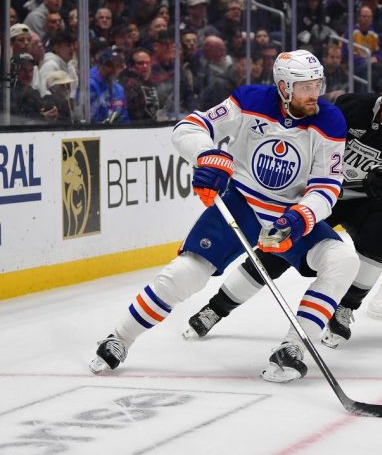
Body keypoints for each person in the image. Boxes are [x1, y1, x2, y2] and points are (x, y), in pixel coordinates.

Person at [89, 50, 359, 384]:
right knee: (185, 273)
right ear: (284, 87)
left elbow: (327, 184)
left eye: (317, 85)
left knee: (343, 260)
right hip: (240, 204)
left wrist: (301, 217)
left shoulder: (330, 120)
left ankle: (292, 348)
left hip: (287, 215)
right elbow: (189, 127)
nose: (314, 94)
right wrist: (207, 156)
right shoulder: (249, 100)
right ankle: (119, 338)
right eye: (306, 87)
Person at [183, 62, 382, 349]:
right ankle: (216, 308)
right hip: (322, 195)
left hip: (367, 201)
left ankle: (345, 307)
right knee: (277, 246)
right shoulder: (352, 105)